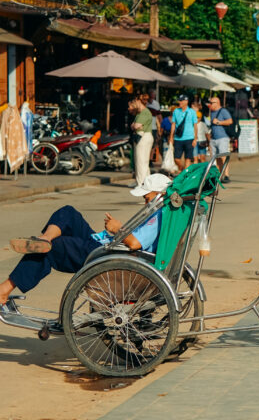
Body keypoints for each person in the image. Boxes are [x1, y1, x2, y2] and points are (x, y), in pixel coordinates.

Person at [0, 174, 173, 309]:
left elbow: (135, 244)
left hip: (109, 254)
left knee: (55, 247)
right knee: (68, 213)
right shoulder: (158, 211)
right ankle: (45, 238)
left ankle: (5, 289)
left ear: (161, 194)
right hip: (107, 245)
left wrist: (118, 228)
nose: (145, 203)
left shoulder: (159, 215)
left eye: (147, 198)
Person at [129, 96, 154, 186]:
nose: (133, 105)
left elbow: (135, 126)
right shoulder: (141, 113)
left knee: (141, 162)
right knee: (142, 162)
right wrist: (135, 126)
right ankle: (145, 183)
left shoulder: (144, 112)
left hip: (143, 138)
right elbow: (134, 125)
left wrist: (135, 126)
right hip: (142, 137)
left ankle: (140, 184)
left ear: (138, 101)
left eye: (134, 102)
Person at [169, 95, 198, 171]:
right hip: (178, 138)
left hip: (189, 138)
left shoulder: (192, 112)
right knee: (176, 159)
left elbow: (195, 126)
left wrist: (195, 139)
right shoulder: (176, 111)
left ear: (186, 101)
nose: (180, 102)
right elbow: (173, 124)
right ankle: (183, 169)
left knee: (188, 159)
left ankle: (185, 174)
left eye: (181, 100)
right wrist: (171, 137)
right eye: (179, 100)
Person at [207, 95, 233, 172]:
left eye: (212, 103)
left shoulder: (223, 111)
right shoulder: (211, 112)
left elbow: (230, 121)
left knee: (223, 156)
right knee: (216, 158)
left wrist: (219, 122)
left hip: (222, 138)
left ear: (217, 103)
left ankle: (226, 174)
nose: (210, 104)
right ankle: (219, 175)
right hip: (213, 138)